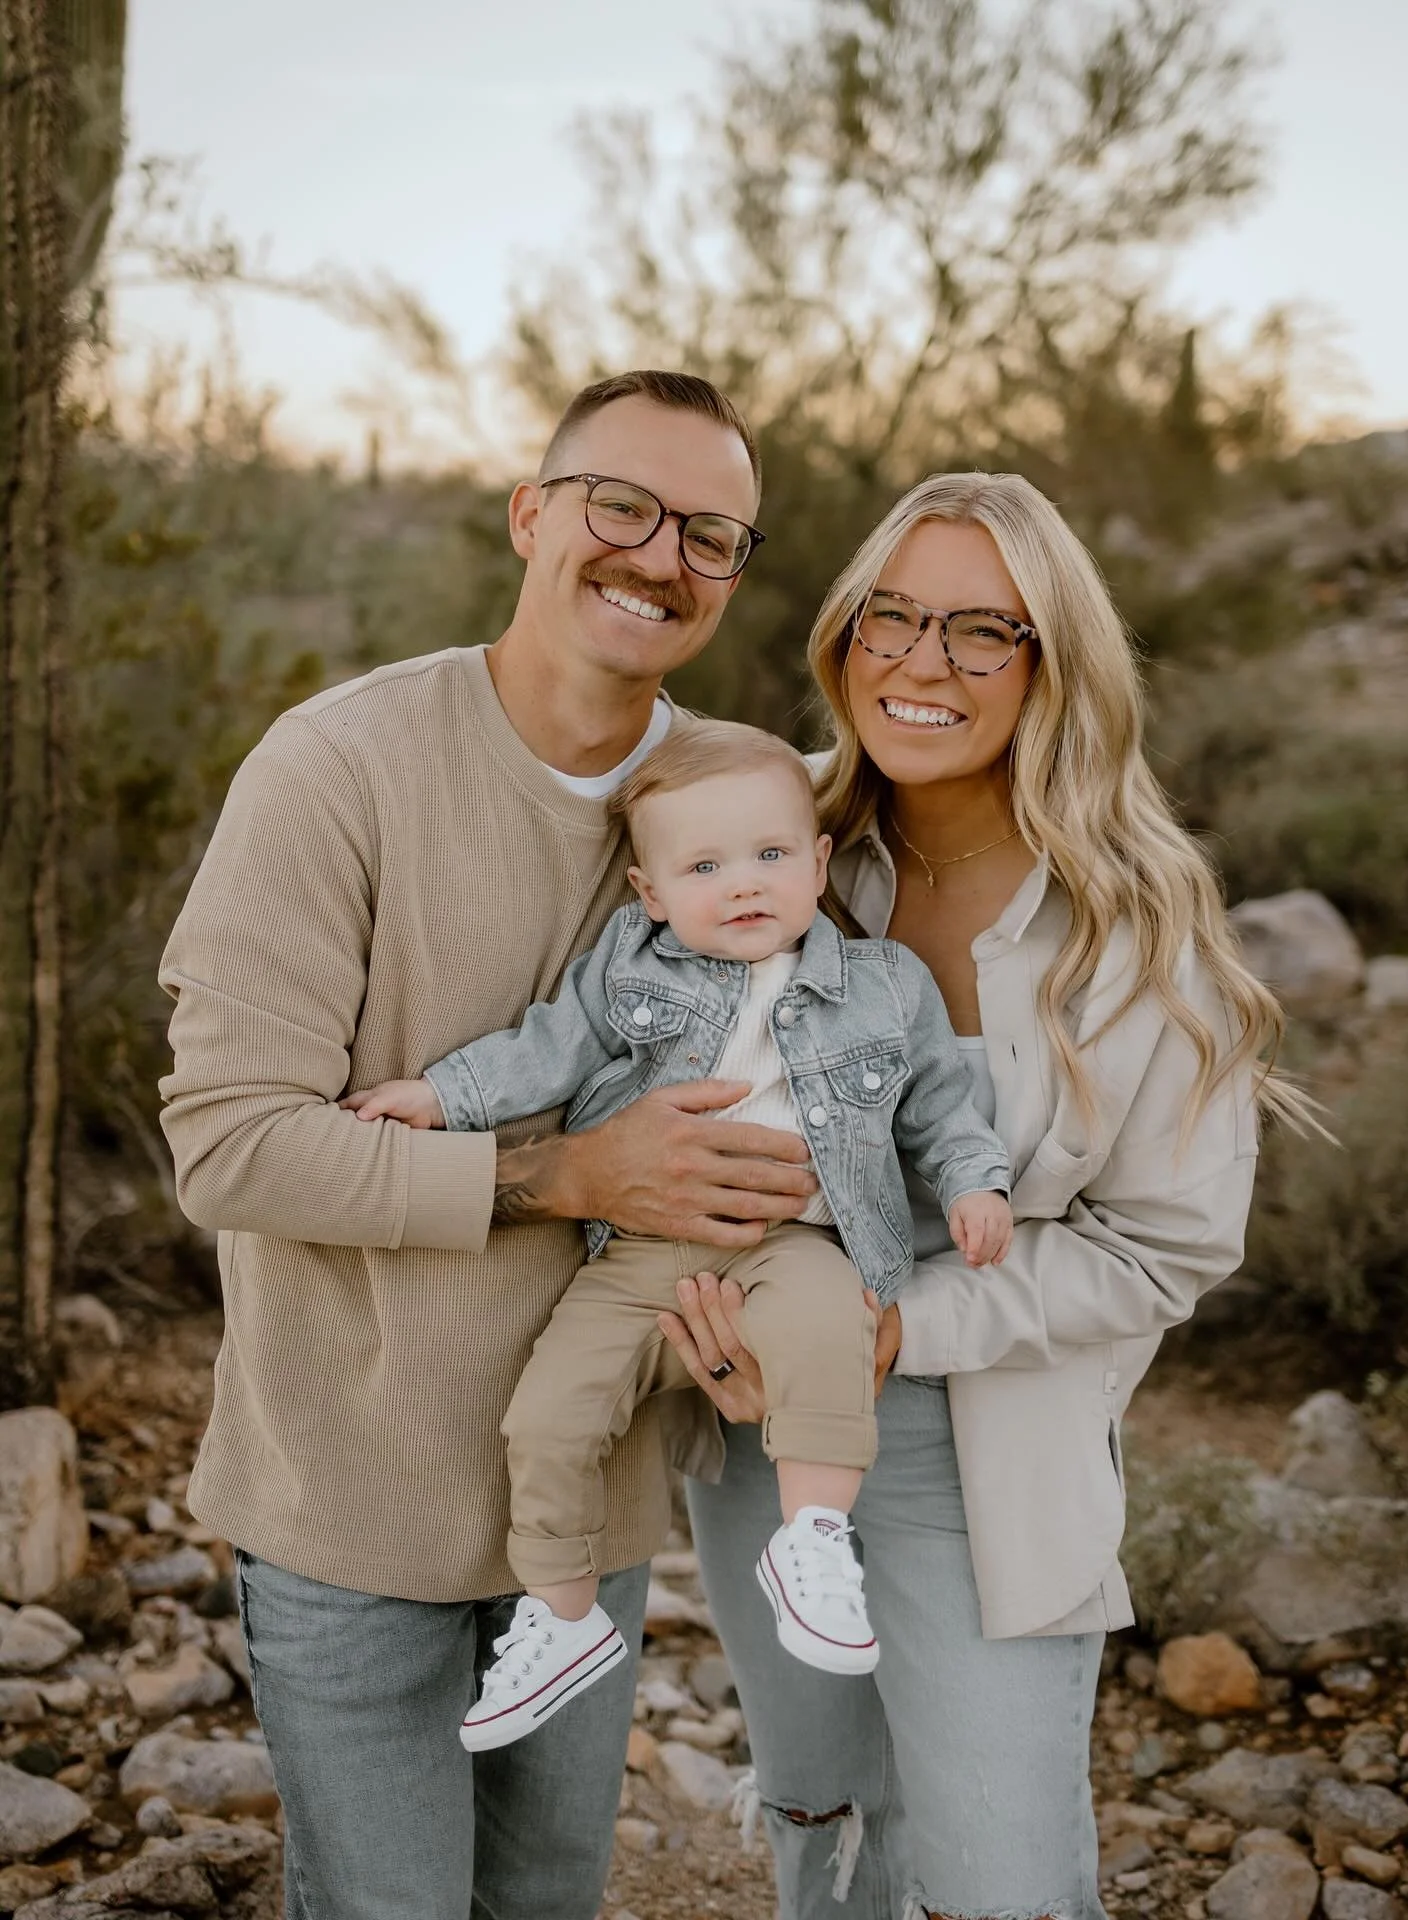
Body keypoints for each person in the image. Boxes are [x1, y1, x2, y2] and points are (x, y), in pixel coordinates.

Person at [156, 371, 827, 1920]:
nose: (660, 556)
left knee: (542, 1907)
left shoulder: (738, 799)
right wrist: (562, 1179)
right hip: (352, 1492)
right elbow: (231, 1149)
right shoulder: (338, 767)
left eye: (710, 534)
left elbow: (835, 1065)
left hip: (584, 1511)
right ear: (534, 514)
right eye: (625, 507)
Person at [658, 472, 1303, 1920]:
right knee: (819, 1821)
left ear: (1051, 665)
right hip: (764, 1432)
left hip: (990, 1455)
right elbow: (646, 1105)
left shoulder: (1138, 938)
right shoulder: (773, 863)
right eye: (890, 614)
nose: (920, 662)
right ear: (843, 636)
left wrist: (901, 1329)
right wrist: (683, 1301)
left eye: (980, 632)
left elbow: (1161, 1250)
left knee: (999, 1878)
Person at [345, 719, 1013, 1748]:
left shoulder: (886, 986)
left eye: (770, 856)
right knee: (550, 1414)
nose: (743, 884)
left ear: (819, 860)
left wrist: (976, 1186)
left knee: (833, 1334)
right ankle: (563, 1615)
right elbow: (551, 1049)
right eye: (703, 866)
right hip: (646, 1251)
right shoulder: (631, 964)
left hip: (799, 1240)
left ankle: (816, 1538)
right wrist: (443, 1097)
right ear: (651, 894)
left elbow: (940, 1112)